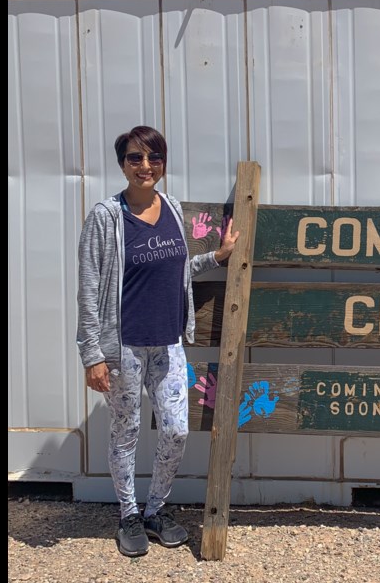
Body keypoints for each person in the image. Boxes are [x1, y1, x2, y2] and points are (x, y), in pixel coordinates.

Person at [76, 125, 239, 557]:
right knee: (126, 431)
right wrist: (92, 354)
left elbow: (177, 269)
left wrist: (216, 257)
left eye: (154, 158)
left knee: (176, 429)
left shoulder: (170, 206)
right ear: (122, 164)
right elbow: (89, 290)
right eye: (135, 158)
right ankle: (128, 514)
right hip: (124, 347)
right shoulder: (106, 217)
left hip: (168, 342)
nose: (145, 166)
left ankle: (155, 510)